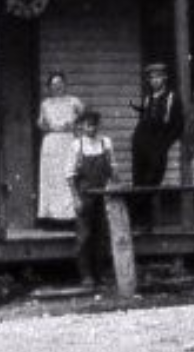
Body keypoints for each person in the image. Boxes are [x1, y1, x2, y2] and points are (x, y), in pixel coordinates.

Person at [128, 62, 182, 231]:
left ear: (164, 78)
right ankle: (140, 222)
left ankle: (145, 222)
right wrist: (135, 140)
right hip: (141, 146)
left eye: (158, 77)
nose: (154, 81)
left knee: (152, 182)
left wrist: (164, 145)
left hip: (158, 147)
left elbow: (178, 125)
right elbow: (143, 120)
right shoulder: (148, 98)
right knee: (139, 182)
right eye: (151, 78)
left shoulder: (172, 97)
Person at [67, 110, 116, 290]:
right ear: (81, 126)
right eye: (88, 125)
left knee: (102, 236)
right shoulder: (77, 146)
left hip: (103, 196)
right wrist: (76, 199)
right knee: (84, 236)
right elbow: (70, 176)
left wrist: (113, 187)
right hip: (85, 196)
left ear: (98, 126)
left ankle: (100, 274)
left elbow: (113, 170)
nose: (91, 128)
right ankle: (86, 275)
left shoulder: (106, 143)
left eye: (94, 125)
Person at [34, 71, 83, 228]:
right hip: (52, 142)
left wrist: (74, 123)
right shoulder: (46, 104)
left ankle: (70, 218)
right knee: (53, 180)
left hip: (68, 140)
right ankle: (52, 219)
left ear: (65, 84)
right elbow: (40, 123)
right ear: (49, 87)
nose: (57, 87)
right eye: (54, 84)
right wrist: (47, 126)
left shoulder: (73, 101)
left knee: (68, 176)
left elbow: (84, 116)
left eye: (60, 83)